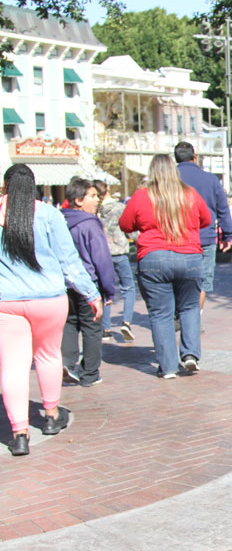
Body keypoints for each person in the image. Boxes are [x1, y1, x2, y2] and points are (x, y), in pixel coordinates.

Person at [0, 164, 102, 456]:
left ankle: (19, 434)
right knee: (48, 355)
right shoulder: (48, 214)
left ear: (5, 187)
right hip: (49, 299)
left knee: (13, 366)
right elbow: (69, 261)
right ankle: (51, 416)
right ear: (35, 187)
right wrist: (91, 294)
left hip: (6, 302)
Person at [119, 154, 211, 379]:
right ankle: (190, 355)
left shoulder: (142, 196)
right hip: (189, 255)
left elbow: (125, 224)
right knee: (189, 307)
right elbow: (206, 219)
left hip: (153, 257)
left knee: (161, 314)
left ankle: (168, 366)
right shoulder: (189, 194)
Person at [60, 177, 117, 388]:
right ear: (78, 200)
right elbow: (102, 259)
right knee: (92, 327)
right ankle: (90, 373)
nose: (97, 199)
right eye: (92, 196)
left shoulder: (59, 221)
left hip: (65, 284)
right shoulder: (89, 224)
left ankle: (67, 364)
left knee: (70, 323)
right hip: (88, 285)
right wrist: (109, 289)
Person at [175, 141, 232, 312]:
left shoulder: (170, 180)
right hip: (205, 236)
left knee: (178, 278)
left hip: (177, 237)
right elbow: (223, 208)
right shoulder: (210, 179)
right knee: (202, 280)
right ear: (195, 157)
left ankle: (179, 314)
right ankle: (194, 317)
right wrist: (227, 235)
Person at [97, 180, 138, 342]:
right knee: (128, 288)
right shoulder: (120, 208)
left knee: (105, 290)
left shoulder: (96, 210)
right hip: (120, 252)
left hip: (102, 254)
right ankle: (126, 321)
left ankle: (105, 328)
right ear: (107, 189)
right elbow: (130, 229)